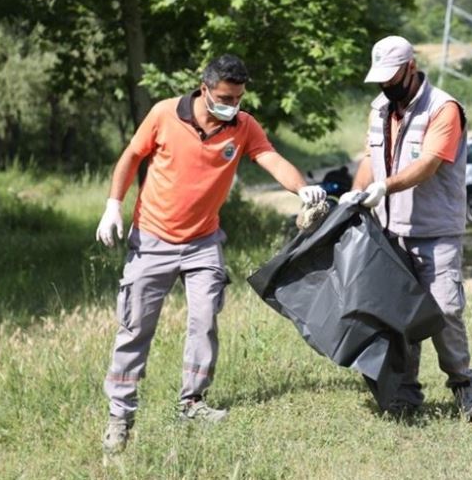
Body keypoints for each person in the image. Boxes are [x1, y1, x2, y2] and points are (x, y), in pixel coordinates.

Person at [95, 54, 326, 454]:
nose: (231, 105)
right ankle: (120, 416)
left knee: (204, 321)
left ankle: (192, 402)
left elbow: (269, 157)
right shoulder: (165, 114)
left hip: (204, 242)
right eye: (224, 96)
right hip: (153, 239)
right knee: (135, 328)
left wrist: (300, 188)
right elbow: (132, 156)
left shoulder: (243, 126)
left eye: (237, 97)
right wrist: (114, 204)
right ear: (204, 89)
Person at [341, 36, 472, 421]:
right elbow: (371, 156)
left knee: (444, 311)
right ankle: (404, 395)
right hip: (389, 230)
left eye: (392, 76)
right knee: (396, 315)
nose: (386, 85)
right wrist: (355, 195)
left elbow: (430, 164)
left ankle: (463, 385)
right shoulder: (380, 108)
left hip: (436, 230)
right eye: (381, 79)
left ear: (411, 67)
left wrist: (385, 187)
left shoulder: (444, 109)